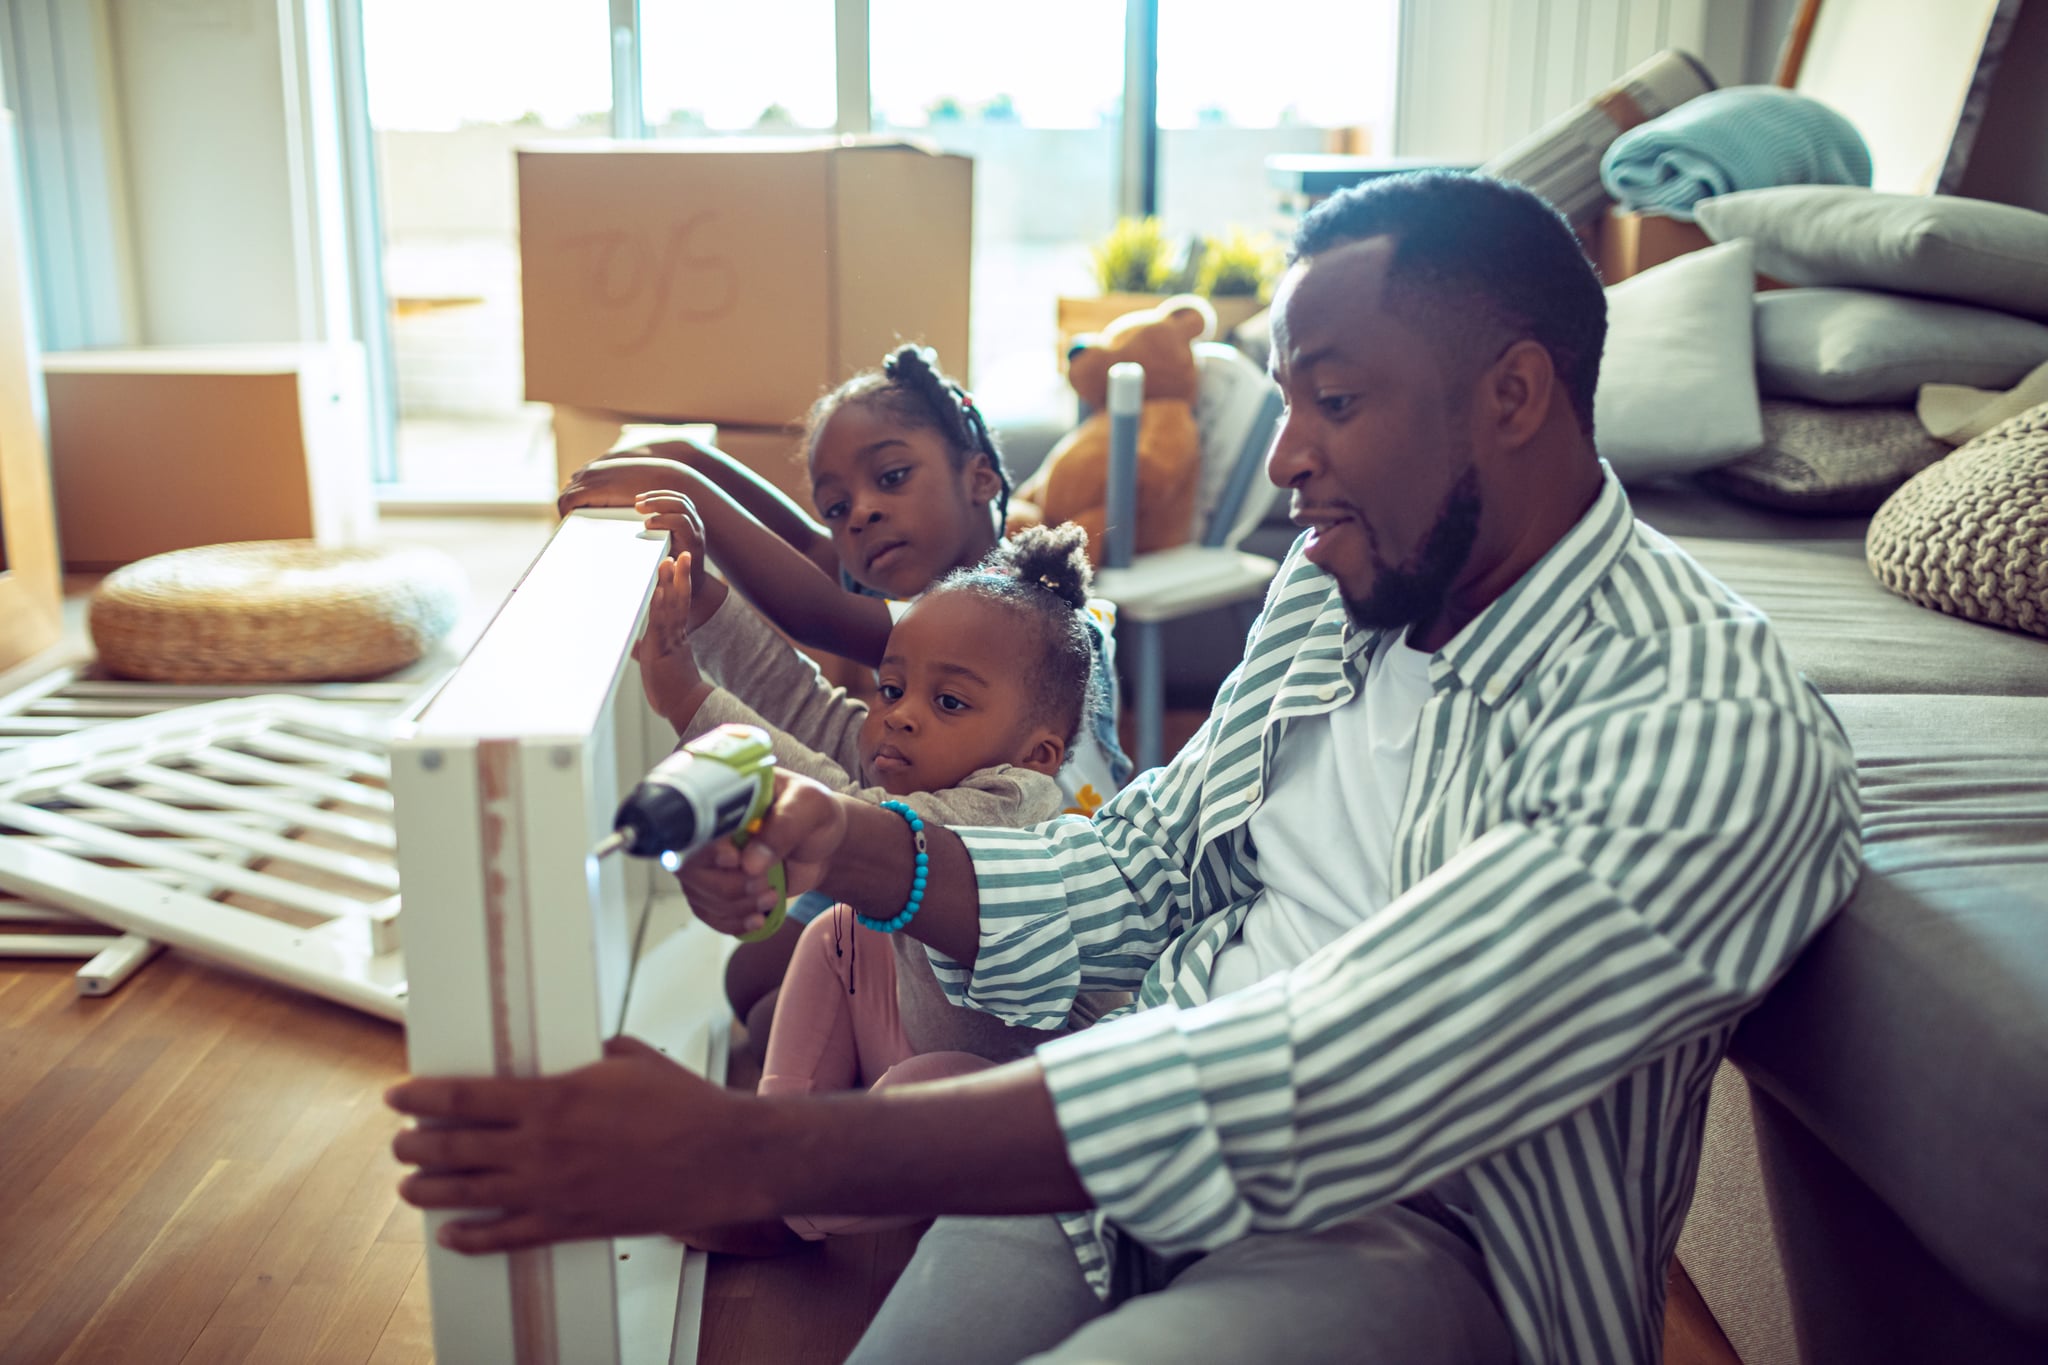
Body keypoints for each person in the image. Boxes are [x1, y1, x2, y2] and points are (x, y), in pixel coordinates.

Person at [389, 172, 1863, 1365]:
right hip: (1121, 1147)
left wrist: (764, 1153)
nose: (1285, 460)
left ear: (1516, 393)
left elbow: (1345, 1073)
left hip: (1423, 1246)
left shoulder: (1703, 722)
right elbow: (1142, 862)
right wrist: (843, 844)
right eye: (1286, 402)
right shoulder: (1333, 592)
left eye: (1333, 402)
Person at [565, 349, 1132, 1040]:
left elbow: (815, 610)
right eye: (839, 506)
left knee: (777, 989)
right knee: (754, 982)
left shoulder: (1009, 626)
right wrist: (693, 482)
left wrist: (679, 483)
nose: (861, 513)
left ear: (980, 475)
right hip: (915, 839)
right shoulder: (943, 627)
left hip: (1009, 905)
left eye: (892, 477)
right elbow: (812, 567)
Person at [635, 518, 1109, 1251]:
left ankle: (793, 1209)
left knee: (928, 1082)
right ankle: (778, 1138)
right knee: (840, 931)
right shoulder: (924, 760)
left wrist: (689, 699)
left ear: (1038, 752)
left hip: (998, 1093)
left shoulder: (1015, 801)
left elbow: (839, 808)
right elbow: (808, 704)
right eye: (892, 689)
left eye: (949, 702)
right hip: (916, 1029)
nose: (901, 716)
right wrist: (706, 604)